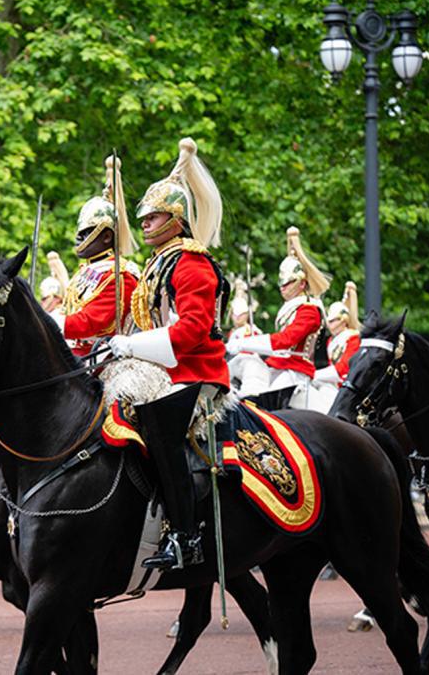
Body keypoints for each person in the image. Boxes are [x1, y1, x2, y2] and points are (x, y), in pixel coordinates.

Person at [109, 137, 228, 570]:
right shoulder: (158, 263)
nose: (144, 223)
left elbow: (193, 330)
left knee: (159, 427)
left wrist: (132, 345)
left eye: (153, 215)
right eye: (142, 215)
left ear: (176, 219)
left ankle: (184, 535)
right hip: (163, 371)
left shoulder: (192, 263)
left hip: (197, 374)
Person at [225, 227, 329, 409]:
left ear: (302, 283)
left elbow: (286, 340)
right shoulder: (292, 308)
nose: (282, 287)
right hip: (279, 366)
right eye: (281, 283)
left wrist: (245, 343)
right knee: (246, 366)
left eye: (288, 283)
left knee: (264, 404)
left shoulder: (310, 310)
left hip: (295, 373)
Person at [49, 155, 139, 357]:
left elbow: (90, 323)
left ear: (107, 236)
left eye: (86, 232)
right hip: (71, 354)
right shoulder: (86, 271)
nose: (78, 238)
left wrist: (45, 321)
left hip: (101, 359)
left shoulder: (120, 275)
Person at [226, 277, 270, 399]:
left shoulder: (250, 330)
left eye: (241, 315)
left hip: (247, 365)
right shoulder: (232, 332)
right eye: (235, 314)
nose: (237, 318)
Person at [314, 281, 361, 386]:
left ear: (343, 320)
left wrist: (314, 374)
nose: (330, 325)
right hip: (335, 384)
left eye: (332, 321)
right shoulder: (331, 341)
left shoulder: (353, 338)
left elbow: (344, 368)